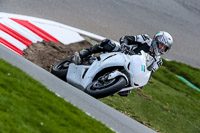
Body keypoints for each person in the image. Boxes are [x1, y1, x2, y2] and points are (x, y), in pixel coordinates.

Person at [72, 31, 173, 96]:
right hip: (124, 53)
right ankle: (83, 54)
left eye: (165, 47)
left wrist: (140, 84)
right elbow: (126, 38)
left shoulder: (158, 61)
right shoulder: (145, 39)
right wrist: (125, 45)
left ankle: (108, 85)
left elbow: (149, 73)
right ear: (156, 40)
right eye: (161, 45)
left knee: (125, 92)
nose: (162, 48)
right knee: (108, 43)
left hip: (132, 70)